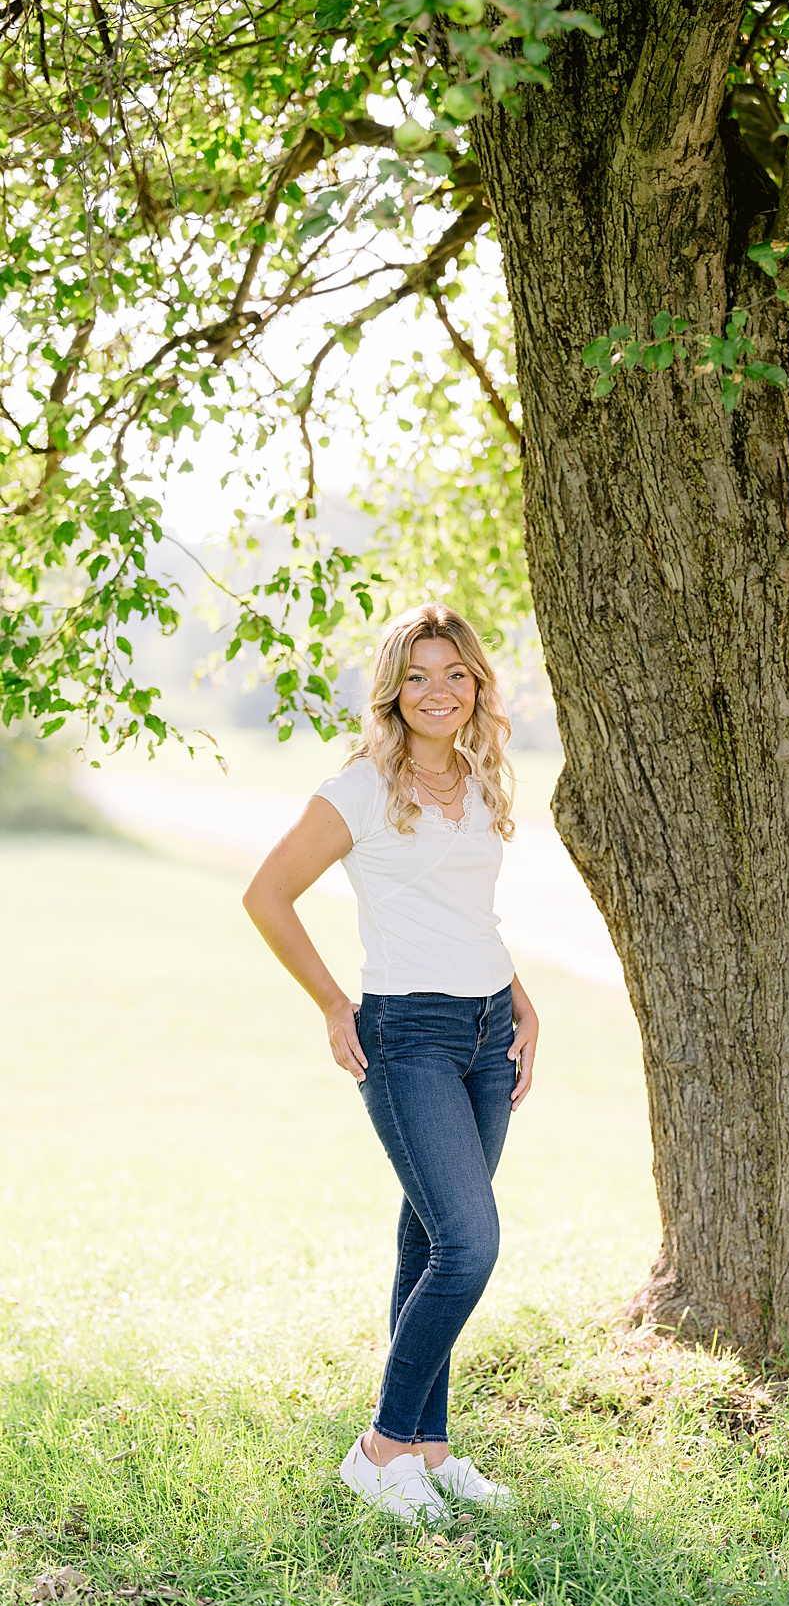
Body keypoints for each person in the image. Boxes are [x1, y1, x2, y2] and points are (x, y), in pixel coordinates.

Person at [243, 602, 538, 1522]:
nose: (438, 691)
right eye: (418, 676)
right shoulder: (361, 788)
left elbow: (470, 919)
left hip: (490, 1029)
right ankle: (378, 1449)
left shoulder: (487, 780)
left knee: (429, 1237)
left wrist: (521, 1000)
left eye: (454, 673)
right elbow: (267, 894)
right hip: (405, 1033)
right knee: (469, 1242)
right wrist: (336, 1003)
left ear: (477, 684)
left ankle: (429, 1448)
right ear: (393, 690)